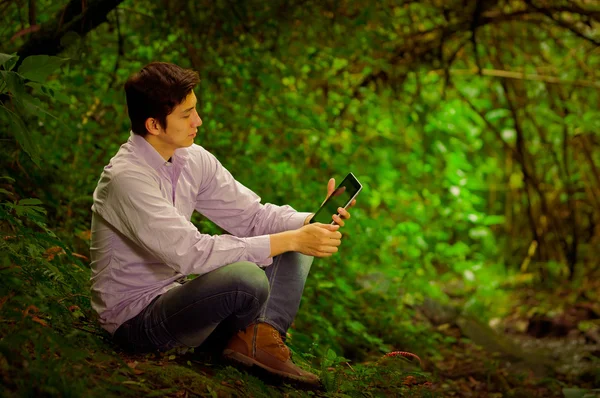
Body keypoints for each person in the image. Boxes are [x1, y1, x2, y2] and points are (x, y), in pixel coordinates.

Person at [89, 62, 356, 385]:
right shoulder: (126, 179)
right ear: (154, 125)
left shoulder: (191, 159)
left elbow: (253, 217)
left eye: (195, 110)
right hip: (137, 321)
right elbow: (189, 253)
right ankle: (249, 342)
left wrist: (312, 221)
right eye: (186, 115)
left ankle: (260, 338)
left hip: (181, 300)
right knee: (249, 275)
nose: (198, 121)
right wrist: (292, 240)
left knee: (295, 235)